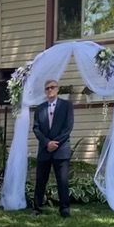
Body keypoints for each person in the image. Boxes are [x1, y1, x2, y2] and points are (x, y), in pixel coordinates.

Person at [31, 79, 74, 218]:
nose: (50, 90)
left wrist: (55, 143)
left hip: (61, 150)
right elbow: (36, 128)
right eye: (47, 88)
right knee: (40, 181)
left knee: (62, 181)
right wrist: (46, 143)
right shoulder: (40, 108)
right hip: (44, 150)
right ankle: (37, 209)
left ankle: (65, 209)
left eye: (52, 87)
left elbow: (68, 128)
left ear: (58, 89)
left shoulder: (66, 105)